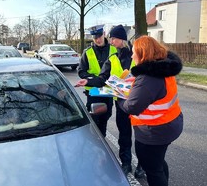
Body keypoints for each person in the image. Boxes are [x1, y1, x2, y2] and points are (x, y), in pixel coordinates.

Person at [76, 24, 145, 177]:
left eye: (114, 38)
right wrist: (87, 82)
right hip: (121, 104)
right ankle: (126, 163)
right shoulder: (112, 58)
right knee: (124, 135)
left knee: (142, 137)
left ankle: (142, 165)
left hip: (140, 105)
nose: (111, 41)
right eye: (111, 38)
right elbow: (102, 79)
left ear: (121, 39)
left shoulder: (139, 56)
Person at [117, 35, 183, 186]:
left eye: (134, 52)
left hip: (154, 132)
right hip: (171, 123)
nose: (132, 55)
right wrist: (135, 82)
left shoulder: (149, 78)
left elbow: (132, 107)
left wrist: (119, 95)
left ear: (143, 54)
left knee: (152, 168)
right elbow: (154, 89)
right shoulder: (162, 68)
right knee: (158, 163)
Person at [77, 24, 118, 137]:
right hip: (93, 91)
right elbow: (81, 71)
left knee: (105, 117)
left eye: (99, 36)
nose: (97, 40)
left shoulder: (114, 49)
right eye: (95, 38)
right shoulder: (88, 52)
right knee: (94, 120)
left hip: (108, 91)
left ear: (104, 34)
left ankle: (102, 140)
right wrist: (94, 79)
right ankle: (95, 141)